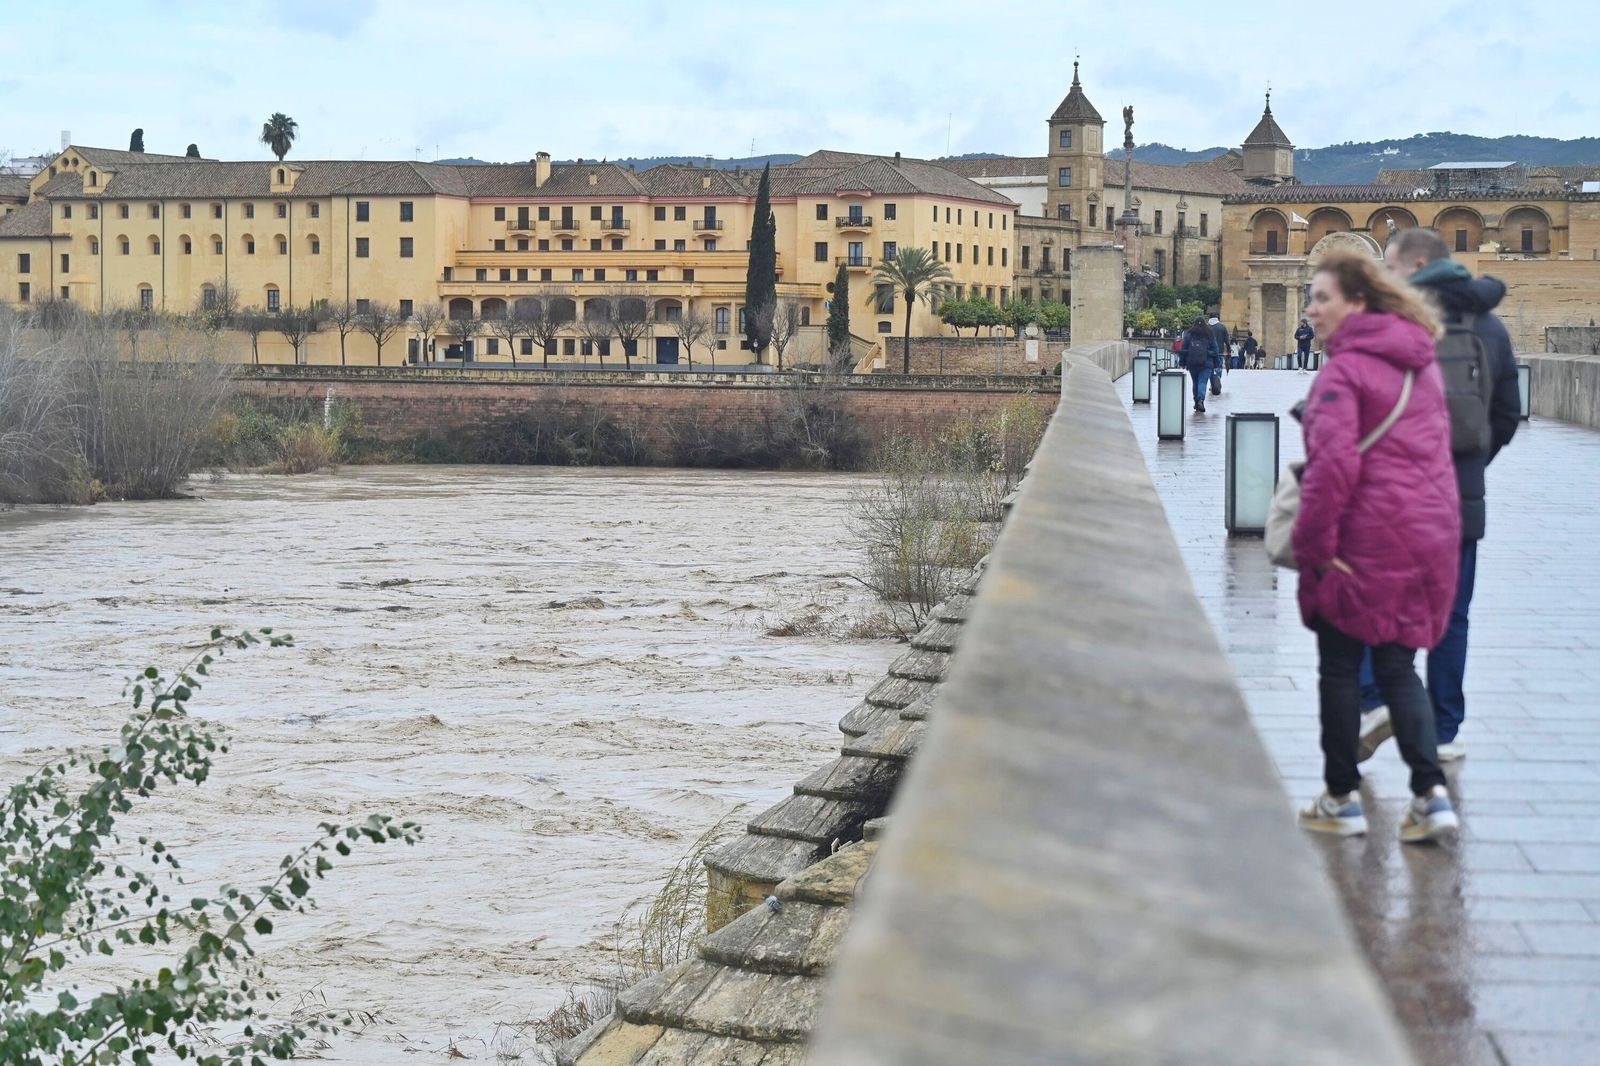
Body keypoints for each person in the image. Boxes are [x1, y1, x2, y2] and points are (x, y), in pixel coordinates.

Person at [1293, 250, 1460, 843]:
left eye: (1323, 298)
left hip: (1363, 539)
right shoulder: (1421, 362)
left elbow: (1332, 468)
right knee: (1397, 665)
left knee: (1340, 668)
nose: (1311, 309)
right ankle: (1430, 794)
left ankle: (1341, 796)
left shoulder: (1344, 371)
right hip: (1428, 535)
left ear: (1358, 302)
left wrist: (1312, 546)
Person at [1355, 228, 1521, 765]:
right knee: (1453, 616)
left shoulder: (1391, 323)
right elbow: (1504, 415)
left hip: (1393, 492)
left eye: (1395, 269)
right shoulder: (1490, 326)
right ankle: (1445, 731)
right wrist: (1468, 466)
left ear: (1419, 263)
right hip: (1459, 497)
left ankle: (1371, 703)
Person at [1180, 316, 1217, 413]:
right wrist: (1217, 363)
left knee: (1195, 382)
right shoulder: (1209, 334)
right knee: (1202, 382)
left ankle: (1196, 401)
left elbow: (1183, 349)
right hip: (1207, 362)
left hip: (1192, 362)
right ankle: (1201, 400)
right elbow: (1215, 350)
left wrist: (1182, 362)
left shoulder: (1189, 334)